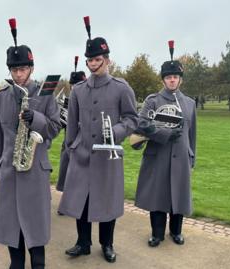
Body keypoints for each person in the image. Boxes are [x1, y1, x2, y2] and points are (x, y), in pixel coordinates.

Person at [58, 16, 138, 263]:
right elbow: (71, 123)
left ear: (107, 59)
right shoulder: (79, 90)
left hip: (107, 156)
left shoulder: (121, 87)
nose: (93, 64)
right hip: (81, 154)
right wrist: (71, 148)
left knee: (106, 203)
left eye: (97, 60)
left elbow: (132, 119)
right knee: (81, 201)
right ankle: (83, 243)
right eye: (90, 60)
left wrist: (115, 131)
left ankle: (107, 244)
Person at [0, 18, 61, 269]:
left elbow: (54, 129)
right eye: (14, 70)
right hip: (10, 170)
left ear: (31, 68)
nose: (18, 74)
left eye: (23, 69)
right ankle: (16, 264)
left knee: (36, 223)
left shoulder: (45, 94)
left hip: (35, 170)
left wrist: (38, 119)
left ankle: (38, 264)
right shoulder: (0, 97)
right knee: (12, 223)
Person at [134, 40, 197, 247]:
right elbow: (142, 124)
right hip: (157, 156)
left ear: (180, 80)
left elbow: (192, 133)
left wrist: (191, 156)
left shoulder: (189, 103)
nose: (172, 80)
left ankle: (176, 232)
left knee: (179, 197)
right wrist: (163, 133)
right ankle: (157, 233)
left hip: (181, 155)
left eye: (175, 77)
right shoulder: (152, 101)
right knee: (157, 196)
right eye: (168, 77)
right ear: (163, 80)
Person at [55, 56, 86, 193]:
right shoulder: (67, 102)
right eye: (72, 86)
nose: (74, 88)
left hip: (85, 145)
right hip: (68, 144)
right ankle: (66, 202)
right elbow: (58, 126)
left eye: (77, 85)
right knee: (66, 175)